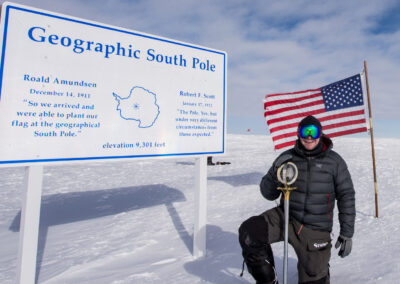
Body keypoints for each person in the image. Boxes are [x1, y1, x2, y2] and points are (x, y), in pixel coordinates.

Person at [238, 115, 355, 284]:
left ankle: (319, 267)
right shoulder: (288, 157)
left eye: (313, 132)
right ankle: (269, 280)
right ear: (298, 134)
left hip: (315, 229)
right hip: (286, 217)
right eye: (304, 131)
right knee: (250, 233)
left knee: (313, 275)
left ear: (320, 134)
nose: (308, 137)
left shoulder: (334, 162)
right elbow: (268, 193)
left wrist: (347, 232)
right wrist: (275, 170)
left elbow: (346, 196)